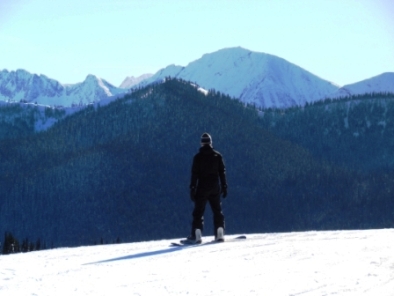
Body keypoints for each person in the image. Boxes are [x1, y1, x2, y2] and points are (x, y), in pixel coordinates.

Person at [183, 132, 228, 244]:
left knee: (198, 212)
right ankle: (219, 232)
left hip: (202, 187)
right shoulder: (217, 156)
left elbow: (194, 174)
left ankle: (196, 234)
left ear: (202, 143)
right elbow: (222, 172)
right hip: (214, 187)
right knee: (217, 210)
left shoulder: (197, 158)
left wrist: (192, 188)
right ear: (210, 143)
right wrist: (224, 185)